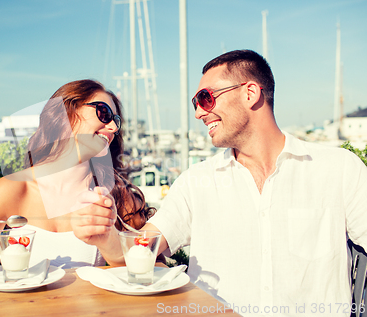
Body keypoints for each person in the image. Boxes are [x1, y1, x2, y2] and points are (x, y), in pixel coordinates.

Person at [71, 50, 367, 316]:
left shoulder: (339, 169)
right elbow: (143, 251)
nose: (199, 113)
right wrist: (104, 236)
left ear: (250, 93)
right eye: (195, 103)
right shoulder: (195, 183)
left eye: (205, 98)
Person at [0, 79, 155, 277]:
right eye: (104, 113)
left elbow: (156, 271)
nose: (114, 127)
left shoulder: (117, 194)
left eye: (116, 120)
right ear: (65, 113)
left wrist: (111, 245)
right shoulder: (13, 189)